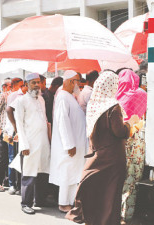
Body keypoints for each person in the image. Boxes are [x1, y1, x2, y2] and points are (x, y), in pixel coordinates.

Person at [66, 71, 139, 225]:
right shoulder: (112, 106)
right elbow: (119, 132)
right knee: (111, 193)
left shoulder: (95, 103)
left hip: (97, 154)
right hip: (112, 157)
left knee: (97, 191)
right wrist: (130, 123)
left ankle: (92, 219)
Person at [10, 73, 51, 215]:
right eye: (33, 83)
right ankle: (25, 203)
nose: (37, 85)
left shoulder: (41, 99)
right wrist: (24, 145)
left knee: (42, 170)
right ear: (26, 85)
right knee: (29, 172)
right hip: (30, 143)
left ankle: (39, 200)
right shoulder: (21, 101)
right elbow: (19, 125)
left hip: (43, 141)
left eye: (38, 82)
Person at [49, 70, 87, 213]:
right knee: (66, 173)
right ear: (72, 81)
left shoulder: (70, 96)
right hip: (69, 146)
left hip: (75, 144)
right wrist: (69, 144)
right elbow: (62, 121)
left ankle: (70, 202)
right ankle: (63, 202)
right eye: (78, 81)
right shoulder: (63, 97)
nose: (79, 84)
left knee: (73, 173)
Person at [116, 69, 147, 223]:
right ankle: (125, 215)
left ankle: (113, 213)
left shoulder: (115, 97)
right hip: (138, 142)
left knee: (117, 179)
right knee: (131, 180)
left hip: (121, 142)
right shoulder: (142, 94)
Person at [3, 77, 25, 194]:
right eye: (20, 85)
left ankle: (21, 185)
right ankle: (12, 184)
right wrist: (11, 131)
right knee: (12, 158)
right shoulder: (13, 96)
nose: (22, 88)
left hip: (23, 132)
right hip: (13, 131)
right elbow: (9, 114)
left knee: (22, 159)